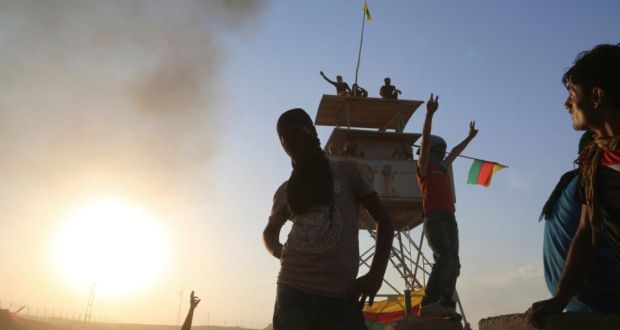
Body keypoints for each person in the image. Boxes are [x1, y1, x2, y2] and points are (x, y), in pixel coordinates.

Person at [263, 108, 394, 330]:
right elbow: (269, 232)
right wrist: (279, 251)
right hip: (292, 291)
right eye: (284, 137)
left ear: (312, 132)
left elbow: (384, 220)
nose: (291, 139)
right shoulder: (286, 190)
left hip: (341, 296)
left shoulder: (347, 172)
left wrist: (375, 275)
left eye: (297, 130)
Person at [527, 44, 620, 328]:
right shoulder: (594, 162)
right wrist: (560, 299)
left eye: (572, 95)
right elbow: (586, 234)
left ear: (596, 97)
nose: (567, 104)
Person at [541, 131, 620, 313]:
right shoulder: (592, 182)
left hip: (570, 299)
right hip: (600, 298)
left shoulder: (568, 186)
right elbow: (586, 239)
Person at [416, 94, 478, 320]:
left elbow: (456, 153)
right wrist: (429, 115)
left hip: (450, 218)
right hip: (434, 219)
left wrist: (469, 138)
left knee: (455, 264)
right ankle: (429, 302)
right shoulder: (424, 168)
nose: (442, 153)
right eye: (438, 150)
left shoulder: (442, 167)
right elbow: (423, 140)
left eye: (443, 150)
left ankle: (445, 303)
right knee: (444, 260)